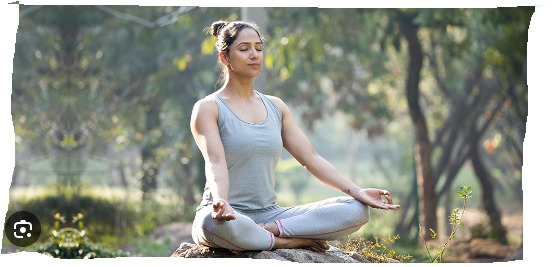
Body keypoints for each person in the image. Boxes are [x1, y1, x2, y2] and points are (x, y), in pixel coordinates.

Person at [190, 20, 401, 253]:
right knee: (210, 224)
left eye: (259, 48)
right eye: (244, 49)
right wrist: (221, 200)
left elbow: (311, 158)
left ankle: (265, 231)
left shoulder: (276, 107)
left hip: (270, 213)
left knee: (356, 209)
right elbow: (215, 160)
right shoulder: (209, 107)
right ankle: (286, 241)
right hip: (225, 215)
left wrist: (357, 191)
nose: (254, 55)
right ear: (225, 58)